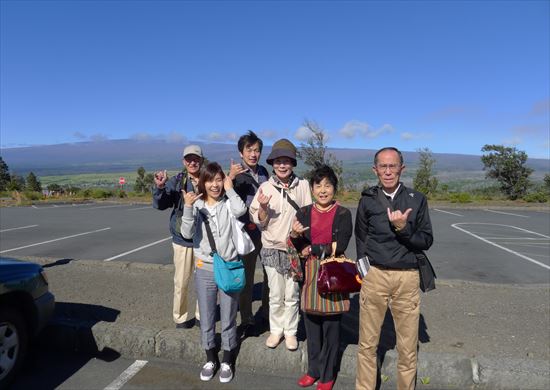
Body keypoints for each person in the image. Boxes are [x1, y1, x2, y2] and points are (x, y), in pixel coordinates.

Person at [355, 147, 434, 390]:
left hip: (407, 278)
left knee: (408, 347)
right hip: (375, 275)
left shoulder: (416, 199)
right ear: (375, 169)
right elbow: (360, 238)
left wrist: (403, 228)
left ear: (402, 168)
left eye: (393, 166)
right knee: (367, 344)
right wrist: (365, 273)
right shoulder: (367, 200)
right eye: (383, 166)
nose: (388, 172)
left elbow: (426, 241)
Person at [180, 162, 247, 383]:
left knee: (228, 315)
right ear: (202, 182)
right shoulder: (197, 206)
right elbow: (187, 233)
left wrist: (230, 187)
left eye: (218, 179)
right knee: (207, 316)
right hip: (205, 268)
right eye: (210, 180)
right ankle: (210, 357)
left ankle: (227, 358)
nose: (214, 185)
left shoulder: (228, 204)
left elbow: (241, 210)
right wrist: (188, 208)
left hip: (228, 267)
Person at [289, 164, 352, 390]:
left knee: (332, 328)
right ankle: (312, 371)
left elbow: (340, 245)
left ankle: (327, 375)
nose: (323, 190)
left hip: (333, 273)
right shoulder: (303, 212)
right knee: (312, 325)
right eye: (318, 185)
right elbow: (296, 243)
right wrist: (295, 235)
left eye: (328, 185)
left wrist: (312, 249)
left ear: (334, 188)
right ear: (312, 189)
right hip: (310, 273)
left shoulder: (343, 214)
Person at [249, 138, 312, 351]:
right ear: (272, 164)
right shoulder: (265, 187)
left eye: (286, 161)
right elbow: (260, 221)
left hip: (294, 249)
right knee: (275, 294)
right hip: (271, 248)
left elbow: (308, 216)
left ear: (293, 163)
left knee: (292, 294)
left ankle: (291, 332)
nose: (282, 165)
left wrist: (303, 241)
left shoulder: (303, 186)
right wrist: (264, 208)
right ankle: (276, 330)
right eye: (278, 161)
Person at [153, 144, 202, 329]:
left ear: (201, 160)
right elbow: (162, 204)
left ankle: (201, 316)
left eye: (196, 158)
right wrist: (160, 187)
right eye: (189, 159)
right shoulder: (178, 180)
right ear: (184, 161)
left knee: (204, 283)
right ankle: (180, 318)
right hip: (182, 241)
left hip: (205, 241)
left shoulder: (209, 180)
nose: (192, 162)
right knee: (181, 283)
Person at [228, 131, 270, 336]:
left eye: (257, 150)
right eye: (249, 150)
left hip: (265, 229)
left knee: (271, 273)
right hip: (246, 232)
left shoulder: (263, 171)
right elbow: (225, 199)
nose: (253, 154)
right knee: (247, 277)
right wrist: (231, 178)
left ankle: (268, 313)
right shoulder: (236, 174)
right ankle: (246, 318)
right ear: (241, 151)